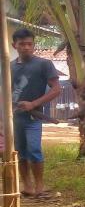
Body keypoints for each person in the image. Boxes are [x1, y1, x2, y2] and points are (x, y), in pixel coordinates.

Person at [10, 28, 62, 197]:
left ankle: (40, 186)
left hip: (33, 117)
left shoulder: (43, 64)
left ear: (34, 45)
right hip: (13, 118)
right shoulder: (8, 66)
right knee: (19, 151)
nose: (26, 47)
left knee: (34, 150)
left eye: (29, 44)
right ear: (14, 45)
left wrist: (33, 103)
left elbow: (56, 89)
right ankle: (27, 186)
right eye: (22, 44)